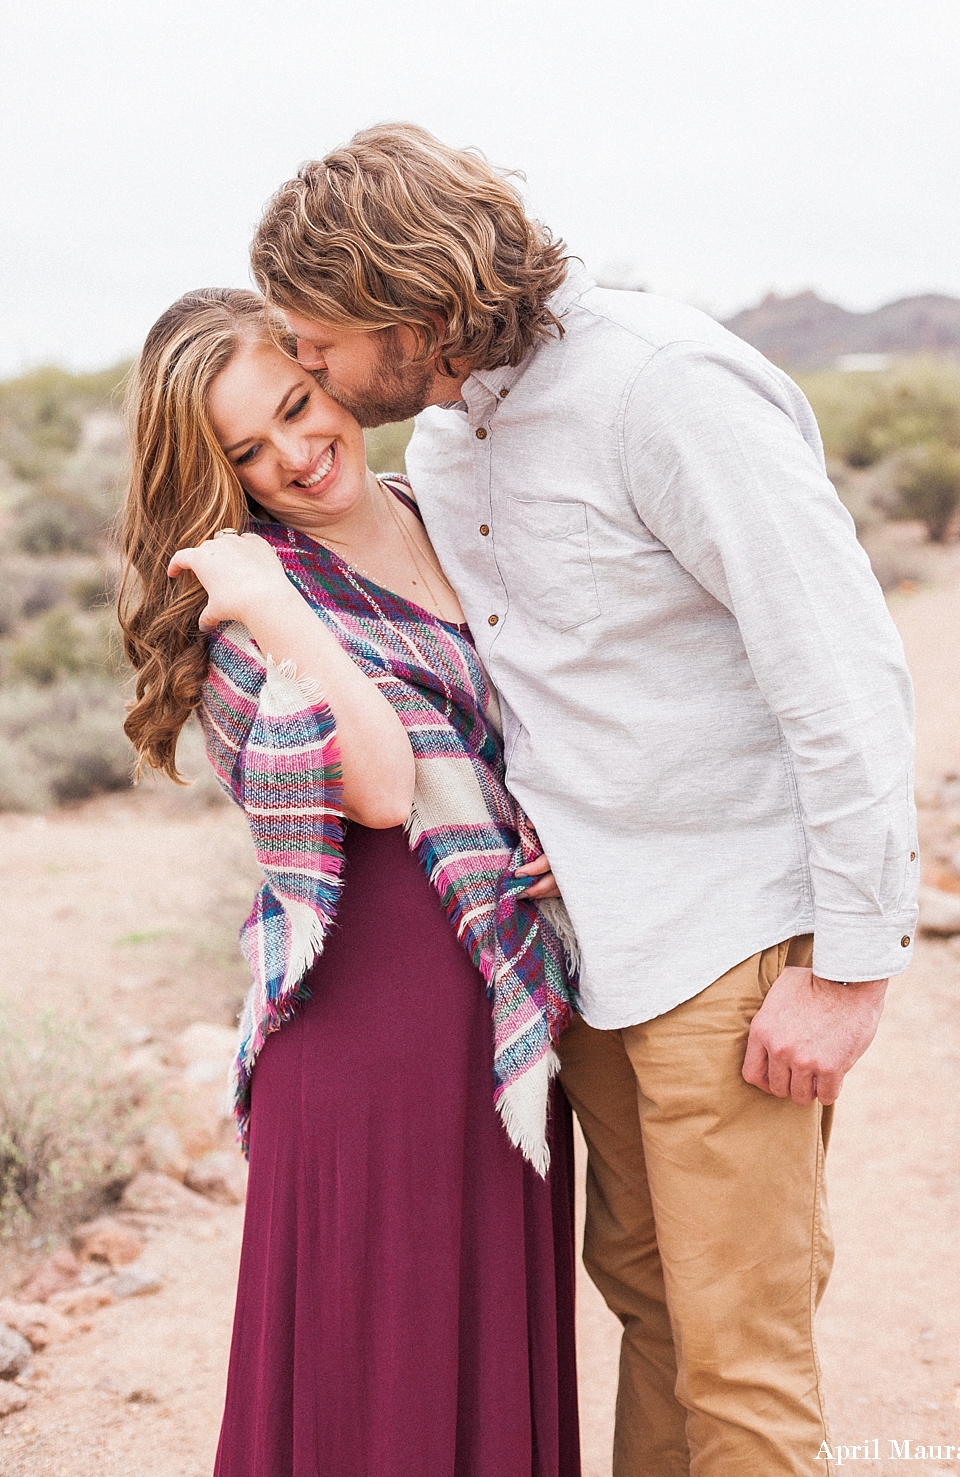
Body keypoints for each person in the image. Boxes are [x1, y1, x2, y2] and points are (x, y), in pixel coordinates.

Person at [247, 123, 920, 1477]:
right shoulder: (442, 447)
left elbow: (838, 673)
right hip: (588, 953)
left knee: (738, 1350)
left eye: (316, 341)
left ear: (405, 299)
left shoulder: (660, 387)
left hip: (727, 941)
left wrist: (848, 966)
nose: (306, 370)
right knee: (651, 1306)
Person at [116, 288, 582, 1477]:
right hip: (367, 1029)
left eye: (297, 402)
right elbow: (377, 785)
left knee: (476, 1369)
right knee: (372, 1383)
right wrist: (278, 607)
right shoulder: (240, 603)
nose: (294, 453)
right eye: (246, 452)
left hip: (501, 996)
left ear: (328, 367)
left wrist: (572, 826)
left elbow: (560, 707)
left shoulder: (451, 515)